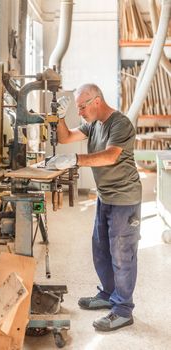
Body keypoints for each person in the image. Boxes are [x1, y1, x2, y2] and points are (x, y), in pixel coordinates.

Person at [46, 84, 142, 332]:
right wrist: (59, 117)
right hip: (105, 196)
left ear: (96, 101)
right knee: (101, 250)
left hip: (124, 197)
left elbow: (111, 156)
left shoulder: (120, 124)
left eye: (81, 107)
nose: (80, 113)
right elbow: (66, 137)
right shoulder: (93, 124)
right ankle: (108, 294)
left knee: (122, 254)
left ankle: (122, 309)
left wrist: (76, 160)